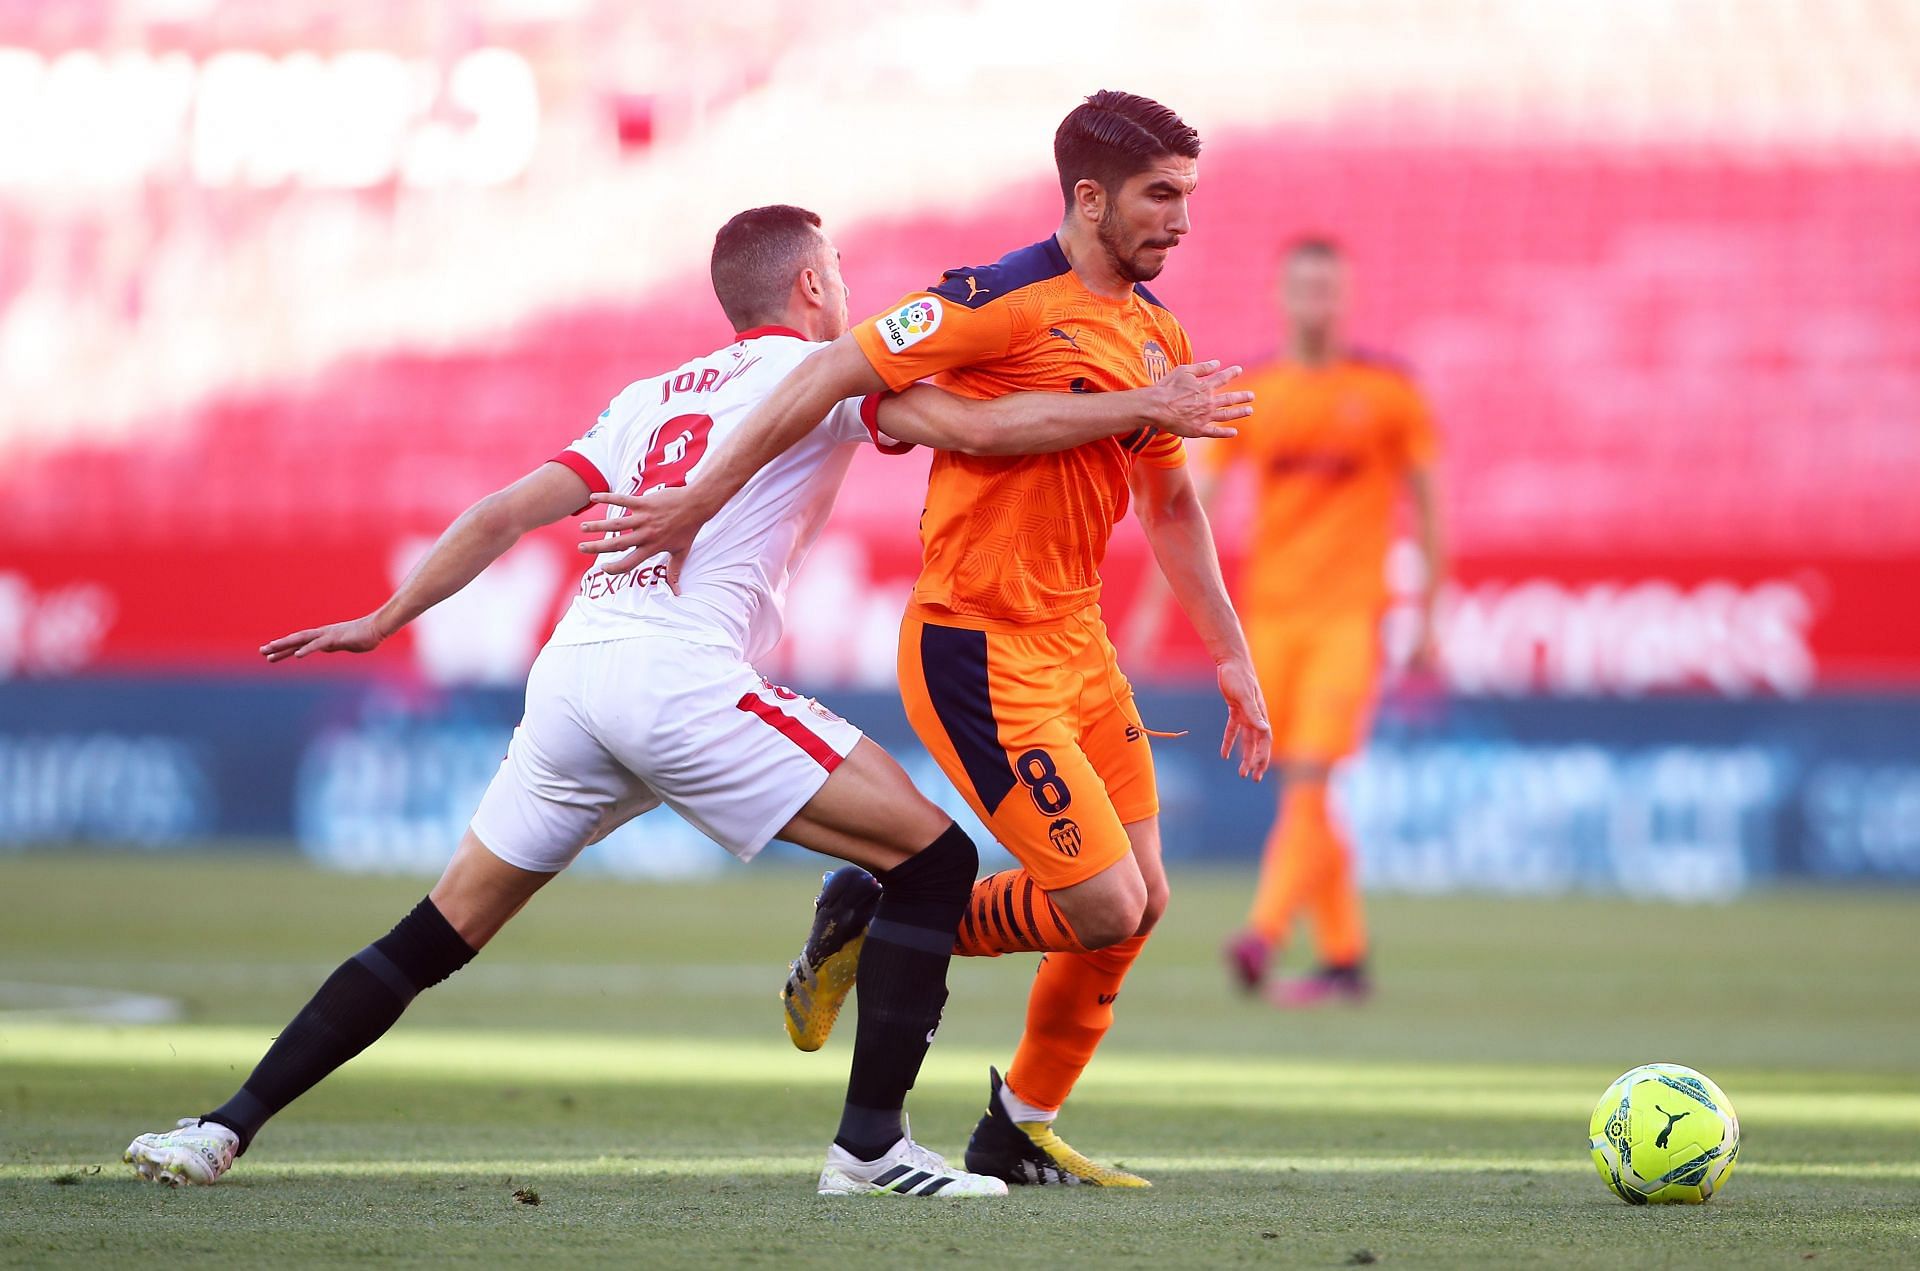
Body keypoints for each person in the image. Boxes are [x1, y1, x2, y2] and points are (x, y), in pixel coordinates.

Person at [122, 204, 1251, 1198]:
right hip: (678, 677)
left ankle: (220, 1128)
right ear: (813, 286)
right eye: (841, 273)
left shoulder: (647, 396)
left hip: (573, 676)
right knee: (933, 861)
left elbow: (508, 508)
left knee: (433, 930)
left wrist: (386, 615)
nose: (849, 294)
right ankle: (870, 1149)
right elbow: (980, 428)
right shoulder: (817, 380)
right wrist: (1140, 406)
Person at [575, 92, 1272, 1188]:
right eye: (1161, 196)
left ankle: (1016, 1126)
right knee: (1101, 906)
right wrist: (704, 495)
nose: (1182, 220)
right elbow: (828, 371)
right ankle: (885, 905)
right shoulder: (995, 301)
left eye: (1189, 195)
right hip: (978, 649)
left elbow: (1170, 507)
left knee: (1145, 898)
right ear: (1089, 197)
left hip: (1079, 646)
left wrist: (1230, 653)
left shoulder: (1154, 330)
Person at [1129, 236, 1446, 1005]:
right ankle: (1344, 960)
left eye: (1327, 286)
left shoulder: (1389, 392)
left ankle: (1261, 933)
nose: (1315, 299)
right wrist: (1150, 606)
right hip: (1268, 620)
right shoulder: (1256, 392)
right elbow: (1189, 504)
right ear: (1282, 294)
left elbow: (1431, 510)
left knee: (1309, 777)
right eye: (1302, 285)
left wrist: (1429, 615)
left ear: (1345, 295)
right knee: (1305, 790)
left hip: (1349, 617)